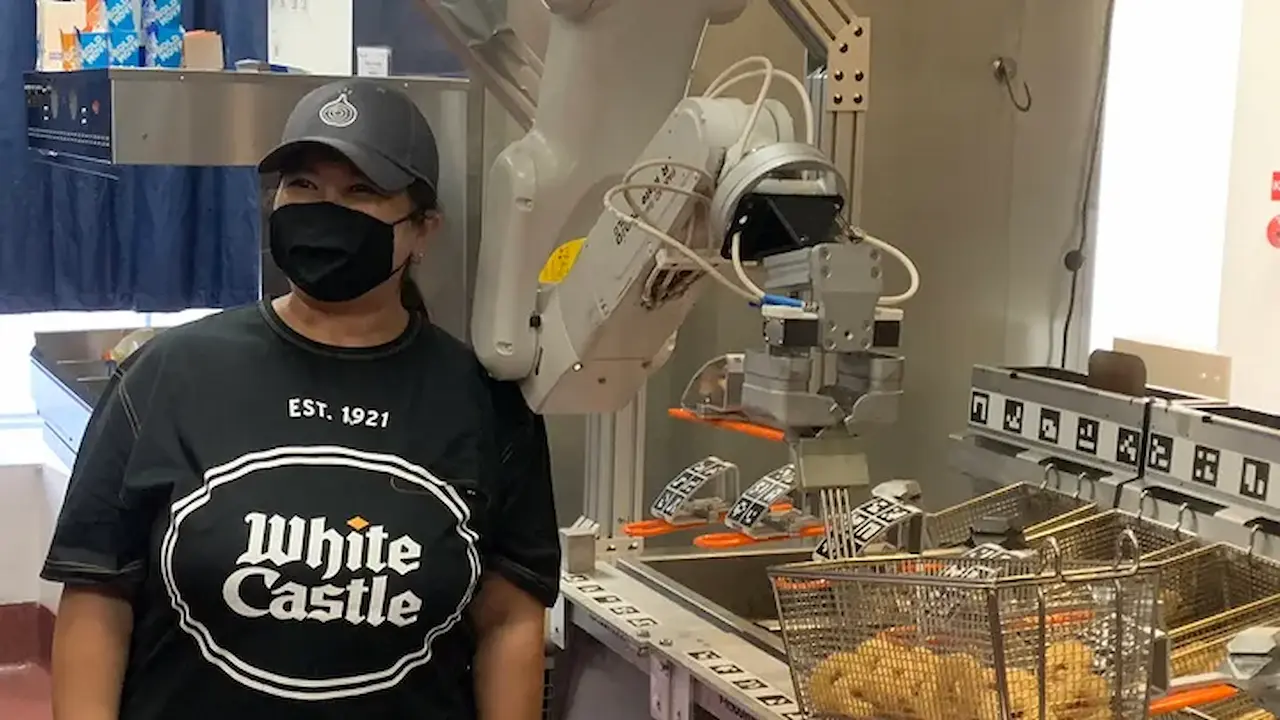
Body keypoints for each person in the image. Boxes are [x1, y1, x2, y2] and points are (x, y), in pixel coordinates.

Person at [41, 79, 561, 720]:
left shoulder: (484, 403)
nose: (324, 209)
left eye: (362, 191)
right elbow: (97, 598)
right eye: (303, 186)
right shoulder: (169, 375)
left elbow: (510, 621)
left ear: (424, 229)